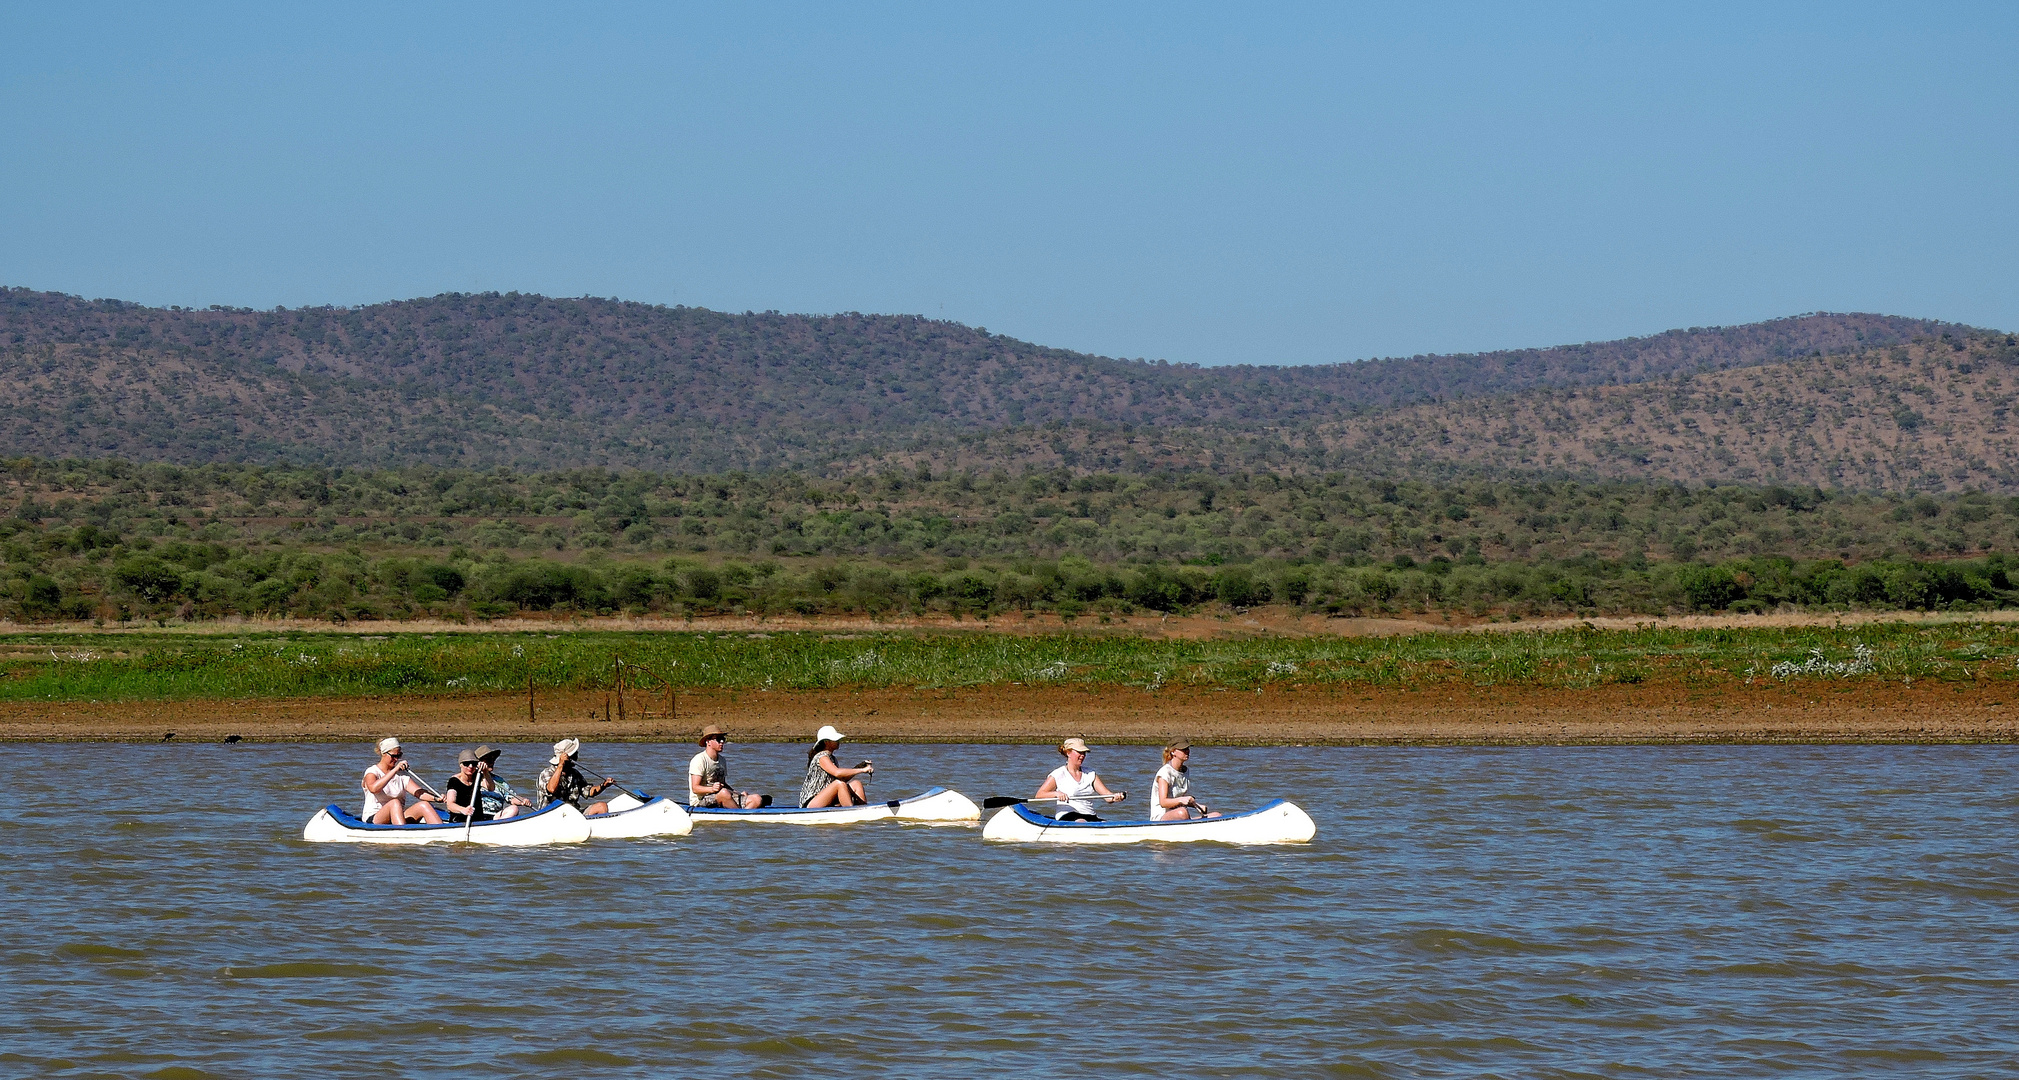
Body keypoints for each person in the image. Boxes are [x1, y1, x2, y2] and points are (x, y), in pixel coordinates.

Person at [1032, 738, 1124, 821]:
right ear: (1068, 753)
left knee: (1104, 823)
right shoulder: (1058, 774)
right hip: (1068, 815)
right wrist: (1056, 794)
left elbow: (1107, 797)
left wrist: (1115, 797)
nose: (1082, 755)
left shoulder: (1091, 774)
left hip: (1089, 815)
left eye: (1084, 753)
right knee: (1081, 822)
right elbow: (1039, 795)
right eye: (1079, 752)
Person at [360, 737, 443, 825]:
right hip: (375, 817)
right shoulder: (372, 772)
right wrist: (394, 770)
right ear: (383, 753)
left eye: (398, 756)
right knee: (394, 803)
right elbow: (374, 789)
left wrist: (436, 798)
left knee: (424, 805)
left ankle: (442, 832)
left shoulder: (402, 775)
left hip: (397, 816)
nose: (396, 759)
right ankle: (402, 831)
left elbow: (419, 793)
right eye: (393, 756)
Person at [689, 725, 766, 809]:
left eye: (723, 739)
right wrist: (712, 789)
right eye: (718, 740)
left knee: (756, 799)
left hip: (723, 794)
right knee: (724, 793)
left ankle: (741, 814)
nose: (722, 742)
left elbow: (723, 784)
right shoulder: (699, 760)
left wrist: (737, 793)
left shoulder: (722, 760)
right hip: (701, 801)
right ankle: (739, 814)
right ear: (708, 742)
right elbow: (695, 788)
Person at [799, 724, 874, 807]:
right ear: (826, 742)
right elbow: (837, 773)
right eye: (835, 739)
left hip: (826, 798)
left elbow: (842, 778)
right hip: (811, 802)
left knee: (856, 784)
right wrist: (862, 770)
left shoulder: (833, 758)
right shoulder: (822, 757)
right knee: (839, 784)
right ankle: (851, 812)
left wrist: (859, 767)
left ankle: (863, 809)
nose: (838, 741)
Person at [537, 738, 614, 817]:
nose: (577, 755)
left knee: (602, 806)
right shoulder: (546, 773)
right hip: (551, 816)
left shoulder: (575, 774)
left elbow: (589, 791)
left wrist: (604, 785)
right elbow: (551, 789)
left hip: (573, 815)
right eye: (574, 754)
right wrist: (560, 765)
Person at [1150, 741, 1220, 821]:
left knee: (1217, 815)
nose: (1187, 751)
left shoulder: (1185, 771)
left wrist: (1196, 805)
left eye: (1187, 748)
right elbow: (1163, 802)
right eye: (1183, 749)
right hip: (1161, 818)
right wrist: (1181, 800)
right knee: (1182, 812)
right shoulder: (1164, 773)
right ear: (1173, 752)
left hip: (1181, 816)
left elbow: (1182, 800)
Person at [471, 744, 530, 820]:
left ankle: (497, 826)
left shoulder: (499, 781)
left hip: (496, 817)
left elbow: (511, 797)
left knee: (514, 809)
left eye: (493, 759)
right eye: (488, 760)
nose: (491, 762)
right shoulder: (471, 778)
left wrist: (522, 801)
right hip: (477, 816)